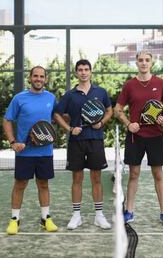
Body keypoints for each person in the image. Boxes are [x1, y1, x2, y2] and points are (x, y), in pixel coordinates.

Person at [114, 50, 163, 227]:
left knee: (158, 174)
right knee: (134, 174)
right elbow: (118, 109)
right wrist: (128, 123)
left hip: (155, 135)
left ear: (151, 62)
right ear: (136, 63)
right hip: (135, 136)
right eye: (140, 60)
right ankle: (129, 211)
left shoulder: (160, 83)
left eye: (147, 60)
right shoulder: (129, 85)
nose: (144, 63)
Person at [54, 59, 113, 230]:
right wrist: (69, 128)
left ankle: (99, 216)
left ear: (91, 71)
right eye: (80, 70)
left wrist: (101, 123)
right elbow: (57, 114)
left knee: (96, 178)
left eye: (86, 69)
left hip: (95, 139)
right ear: (76, 73)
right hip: (76, 142)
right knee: (77, 179)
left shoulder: (100, 92)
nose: (83, 72)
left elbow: (109, 110)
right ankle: (76, 215)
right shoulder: (69, 95)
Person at [3, 66, 58, 235]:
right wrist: (13, 142)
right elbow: (7, 120)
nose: (38, 79)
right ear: (30, 78)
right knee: (20, 185)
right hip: (24, 152)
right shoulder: (19, 99)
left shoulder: (51, 98)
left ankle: (45, 219)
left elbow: (57, 118)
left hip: (45, 152)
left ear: (45, 79)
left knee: (43, 184)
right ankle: (14, 220)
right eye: (36, 76)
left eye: (42, 76)